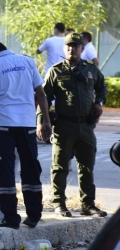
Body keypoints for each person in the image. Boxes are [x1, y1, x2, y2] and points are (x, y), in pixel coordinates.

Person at [0, 40, 52, 229]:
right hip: (27, 124)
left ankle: (10, 218)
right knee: (30, 168)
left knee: (5, 171)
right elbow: (41, 94)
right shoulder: (27, 61)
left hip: (4, 125)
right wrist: (46, 121)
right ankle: (34, 214)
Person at [36, 33, 108, 218]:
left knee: (87, 167)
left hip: (85, 127)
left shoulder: (91, 70)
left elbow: (102, 87)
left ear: (81, 49)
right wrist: (41, 122)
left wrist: (99, 102)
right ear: (64, 48)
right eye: (68, 45)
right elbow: (44, 99)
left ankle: (88, 204)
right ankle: (59, 203)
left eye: (75, 46)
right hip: (64, 126)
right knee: (60, 167)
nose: (71, 48)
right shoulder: (56, 71)